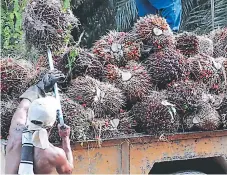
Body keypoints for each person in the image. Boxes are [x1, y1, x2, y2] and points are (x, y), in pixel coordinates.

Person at [5, 69, 74, 174]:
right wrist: (65, 139)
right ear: (51, 125)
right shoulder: (55, 154)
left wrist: (40, 86)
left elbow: (23, 107)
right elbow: (68, 171)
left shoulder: (16, 131)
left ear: (30, 114)